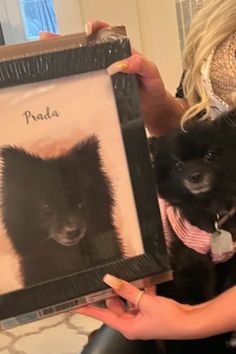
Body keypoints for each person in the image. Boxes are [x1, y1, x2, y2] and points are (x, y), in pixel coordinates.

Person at [76, 0, 236, 344]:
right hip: (208, 232)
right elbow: (194, 120)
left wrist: (194, 320)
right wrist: (151, 99)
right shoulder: (215, 12)